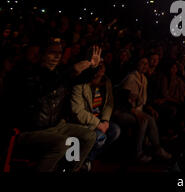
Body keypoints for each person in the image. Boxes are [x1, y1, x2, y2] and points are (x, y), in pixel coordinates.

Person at [1, 39, 100, 172]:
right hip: (31, 130)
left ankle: (68, 170)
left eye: (59, 52)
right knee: (63, 142)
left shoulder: (59, 72)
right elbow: (41, 88)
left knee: (88, 136)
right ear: (42, 54)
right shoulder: (27, 72)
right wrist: (70, 72)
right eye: (52, 52)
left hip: (56, 126)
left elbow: (80, 79)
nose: (57, 56)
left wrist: (93, 67)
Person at [113, 57, 171, 162]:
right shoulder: (131, 77)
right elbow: (123, 101)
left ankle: (157, 148)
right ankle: (138, 153)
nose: (145, 66)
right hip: (122, 111)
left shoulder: (144, 79)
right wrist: (136, 113)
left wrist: (148, 108)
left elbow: (142, 100)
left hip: (135, 110)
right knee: (143, 120)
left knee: (151, 118)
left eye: (146, 64)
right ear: (137, 64)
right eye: (142, 63)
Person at [70, 61, 121, 171]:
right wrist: (98, 124)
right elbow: (77, 111)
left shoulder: (106, 82)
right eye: (98, 65)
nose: (101, 67)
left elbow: (109, 103)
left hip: (99, 120)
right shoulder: (81, 83)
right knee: (100, 137)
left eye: (103, 64)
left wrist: (105, 120)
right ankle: (82, 161)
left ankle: (88, 158)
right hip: (85, 122)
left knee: (115, 130)